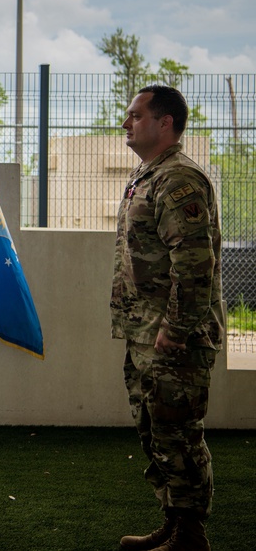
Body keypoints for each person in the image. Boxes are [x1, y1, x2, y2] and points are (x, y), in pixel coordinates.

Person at [112, 85, 224, 551]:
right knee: (156, 434)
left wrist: (175, 331)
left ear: (165, 123)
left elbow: (194, 263)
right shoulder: (148, 175)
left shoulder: (179, 181)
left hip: (174, 338)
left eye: (135, 115)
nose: (125, 123)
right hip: (145, 333)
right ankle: (174, 523)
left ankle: (191, 534)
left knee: (179, 436)